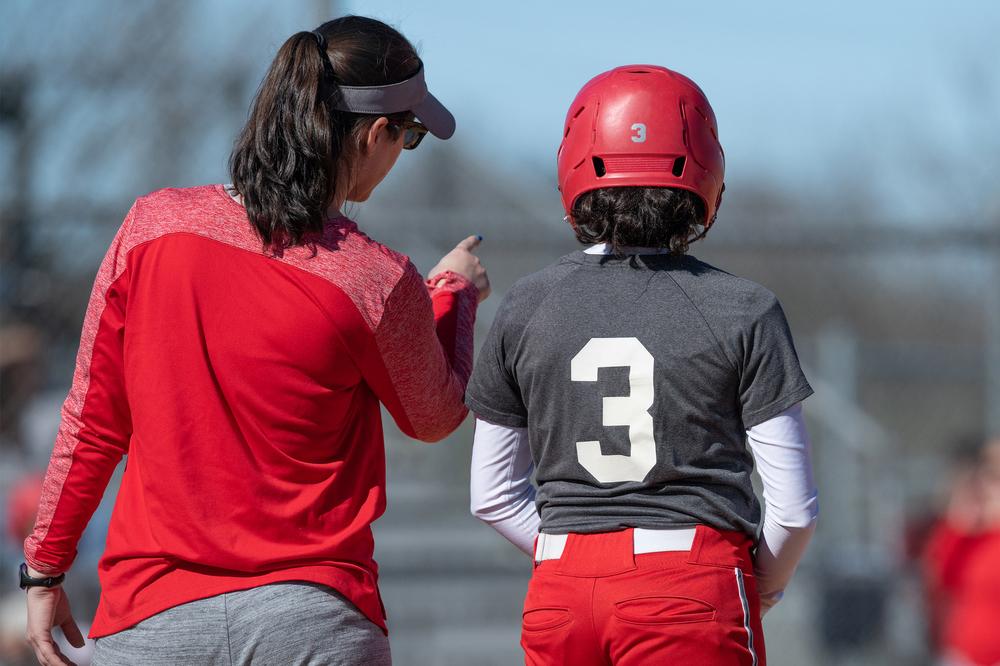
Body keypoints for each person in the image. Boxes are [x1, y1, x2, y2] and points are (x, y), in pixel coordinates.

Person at [22, 15, 489, 666]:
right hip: (313, 619)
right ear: (377, 133)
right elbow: (434, 415)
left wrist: (45, 567)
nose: (400, 153)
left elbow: (93, 419)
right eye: (408, 137)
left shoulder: (150, 228)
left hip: (152, 617)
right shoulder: (374, 278)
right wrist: (453, 296)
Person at [466, 65, 818, 664]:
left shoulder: (526, 304)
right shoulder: (744, 308)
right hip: (689, 585)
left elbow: (491, 495)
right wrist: (756, 583)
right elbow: (794, 509)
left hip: (561, 595)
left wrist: (578, 554)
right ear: (705, 173)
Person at [923, 436, 1000, 665]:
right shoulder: (971, 536)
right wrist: (960, 518)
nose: (987, 486)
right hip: (964, 655)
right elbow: (940, 579)